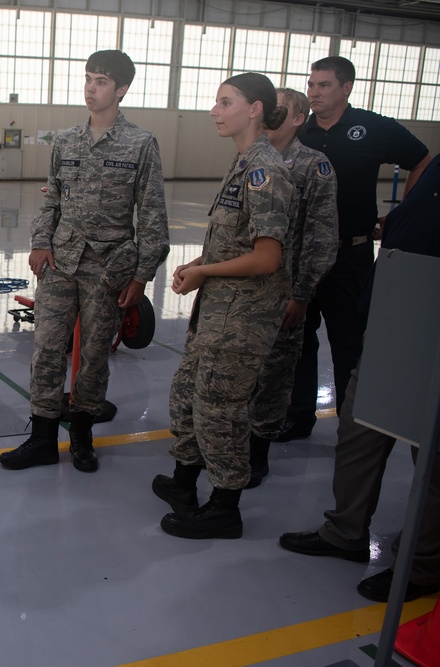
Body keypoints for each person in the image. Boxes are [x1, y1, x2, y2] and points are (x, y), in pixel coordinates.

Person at [0, 50, 169, 473]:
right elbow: (52, 198)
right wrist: (40, 243)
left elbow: (151, 215)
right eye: (88, 78)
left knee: (93, 354)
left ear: (122, 89)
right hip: (60, 261)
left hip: (110, 268)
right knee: (47, 349)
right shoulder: (67, 141)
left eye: (102, 81)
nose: (91, 88)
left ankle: (83, 436)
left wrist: (143, 276)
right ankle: (40, 437)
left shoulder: (140, 144)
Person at [279, 153, 440, 603]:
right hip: (393, 325)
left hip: (431, 333)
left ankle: (422, 564)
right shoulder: (435, 167)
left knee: (433, 460)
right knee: (358, 432)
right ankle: (345, 531)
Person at [152, 73, 295, 539]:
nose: (215, 110)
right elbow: (234, 241)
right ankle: (184, 483)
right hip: (217, 313)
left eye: (225, 102)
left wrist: (204, 273)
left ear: (255, 109)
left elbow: (267, 257)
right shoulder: (243, 164)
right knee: (188, 395)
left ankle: (224, 508)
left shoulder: (265, 171)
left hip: (243, 318)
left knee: (221, 408)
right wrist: (198, 263)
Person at [276, 56, 431, 443]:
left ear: (346, 88)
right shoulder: (299, 129)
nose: (314, 92)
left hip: (349, 254)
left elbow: (423, 159)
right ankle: (298, 417)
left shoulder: (372, 127)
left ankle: (352, 425)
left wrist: (402, 213)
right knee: (299, 339)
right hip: (301, 257)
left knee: (348, 341)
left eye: (324, 85)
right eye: (311, 85)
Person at [245, 88, 338, 488]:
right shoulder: (251, 158)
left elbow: (321, 239)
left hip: (284, 292)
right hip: (247, 290)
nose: (273, 112)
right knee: (243, 372)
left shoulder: (313, 167)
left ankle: (256, 456)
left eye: (282, 108)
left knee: (275, 376)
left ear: (298, 118)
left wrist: (301, 296)